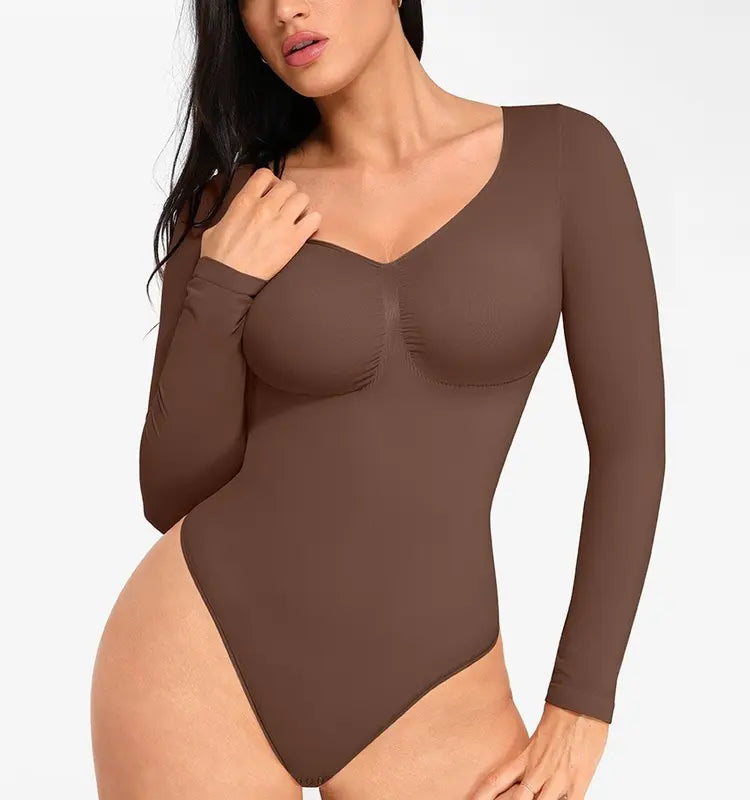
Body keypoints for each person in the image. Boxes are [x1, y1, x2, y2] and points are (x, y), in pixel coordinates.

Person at [90, 1, 665, 798]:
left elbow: (631, 445)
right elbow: (173, 494)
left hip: (439, 697)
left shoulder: (567, 160)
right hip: (200, 663)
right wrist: (221, 285)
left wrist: (583, 700)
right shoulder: (235, 208)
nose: (284, 10)